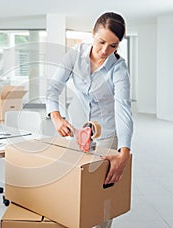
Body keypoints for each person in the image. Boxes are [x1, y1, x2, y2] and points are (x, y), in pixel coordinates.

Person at [46, 12, 133, 228]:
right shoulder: (74, 56)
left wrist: (124, 153)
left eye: (113, 46)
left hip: (107, 133)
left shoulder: (119, 68)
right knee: (75, 184)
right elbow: (52, 89)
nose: (105, 50)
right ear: (92, 34)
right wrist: (56, 117)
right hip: (77, 131)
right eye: (101, 41)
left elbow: (123, 109)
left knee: (102, 190)